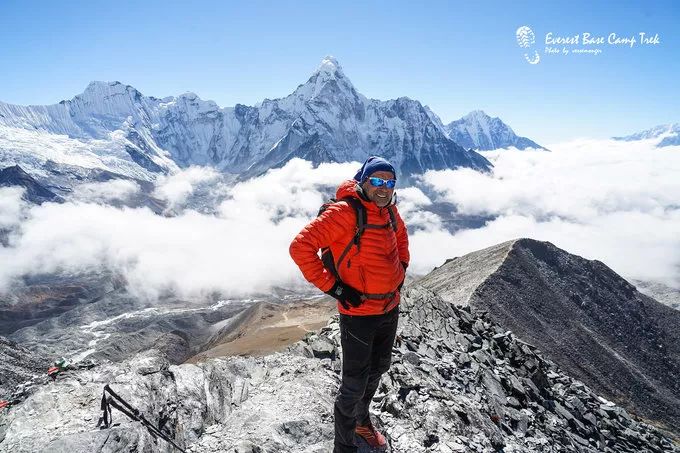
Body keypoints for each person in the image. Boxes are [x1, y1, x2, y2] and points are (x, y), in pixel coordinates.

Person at [289, 156, 410, 452]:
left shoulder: (390, 213)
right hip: (358, 313)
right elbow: (300, 247)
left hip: (388, 308)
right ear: (364, 182)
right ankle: (343, 447)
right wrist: (335, 288)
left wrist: (400, 271)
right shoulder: (344, 213)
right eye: (377, 182)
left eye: (389, 182)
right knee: (354, 384)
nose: (384, 188)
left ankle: (361, 422)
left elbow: (402, 242)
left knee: (378, 368)